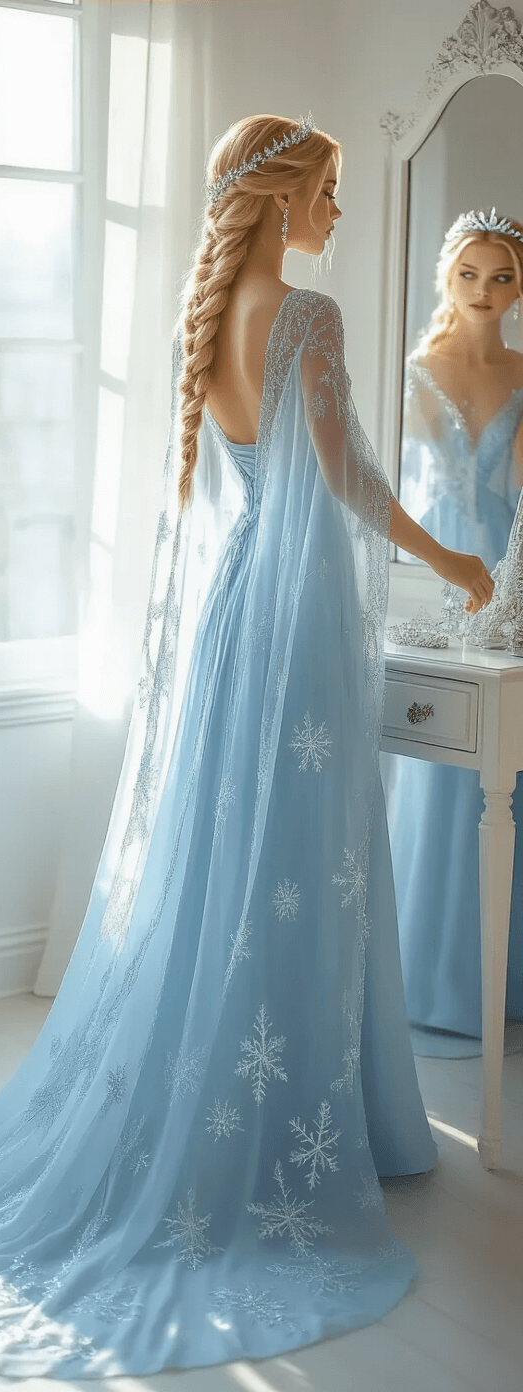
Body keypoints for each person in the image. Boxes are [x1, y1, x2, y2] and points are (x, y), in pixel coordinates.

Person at [0, 115, 493, 1380]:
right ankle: (284, 1126)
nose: (335, 212)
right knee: (299, 865)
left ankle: (269, 1104)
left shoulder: (213, 314)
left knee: (240, 862)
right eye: (326, 191)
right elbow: (342, 482)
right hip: (300, 633)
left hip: (239, 620)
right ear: (279, 200)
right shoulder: (308, 316)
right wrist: (452, 560)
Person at [388, 210, 523, 1050]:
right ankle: (431, 973)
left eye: (501, 275)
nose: (483, 290)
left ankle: (500, 980)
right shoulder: (412, 371)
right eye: (469, 273)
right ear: (447, 276)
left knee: (507, 764)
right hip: (435, 565)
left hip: (507, 561)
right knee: (439, 770)